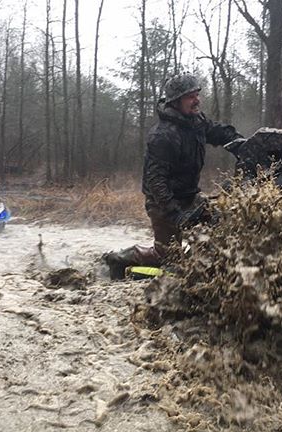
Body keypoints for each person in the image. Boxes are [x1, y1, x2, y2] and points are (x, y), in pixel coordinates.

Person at [104, 73, 243, 279]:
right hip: (162, 202)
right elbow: (155, 181)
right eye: (190, 97)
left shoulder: (197, 121)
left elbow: (217, 132)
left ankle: (205, 262)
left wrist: (242, 144)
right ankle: (121, 258)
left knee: (222, 221)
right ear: (176, 102)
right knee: (167, 258)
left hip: (189, 196)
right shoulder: (163, 136)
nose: (197, 101)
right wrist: (174, 214)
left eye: (197, 95)